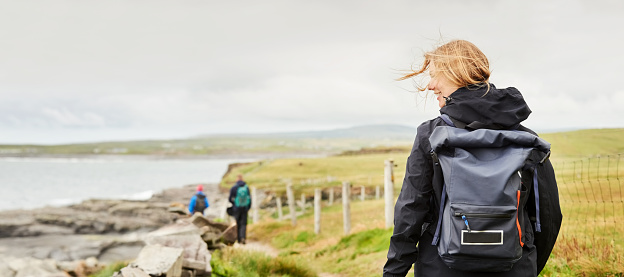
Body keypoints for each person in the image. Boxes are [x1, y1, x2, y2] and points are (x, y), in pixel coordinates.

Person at [383, 40, 562, 277]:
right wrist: (525, 264)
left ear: (456, 74)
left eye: (435, 75)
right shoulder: (525, 139)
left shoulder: (431, 135)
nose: (431, 86)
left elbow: (410, 211)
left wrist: (394, 272)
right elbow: (547, 216)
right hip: (514, 267)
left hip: (440, 268)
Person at [229, 174, 251, 244]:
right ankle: (243, 238)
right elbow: (250, 198)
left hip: (236, 208)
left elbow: (230, 199)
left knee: (237, 223)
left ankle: (238, 239)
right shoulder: (246, 187)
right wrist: (248, 207)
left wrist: (234, 204)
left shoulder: (234, 187)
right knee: (243, 223)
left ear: (237, 179)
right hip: (244, 208)